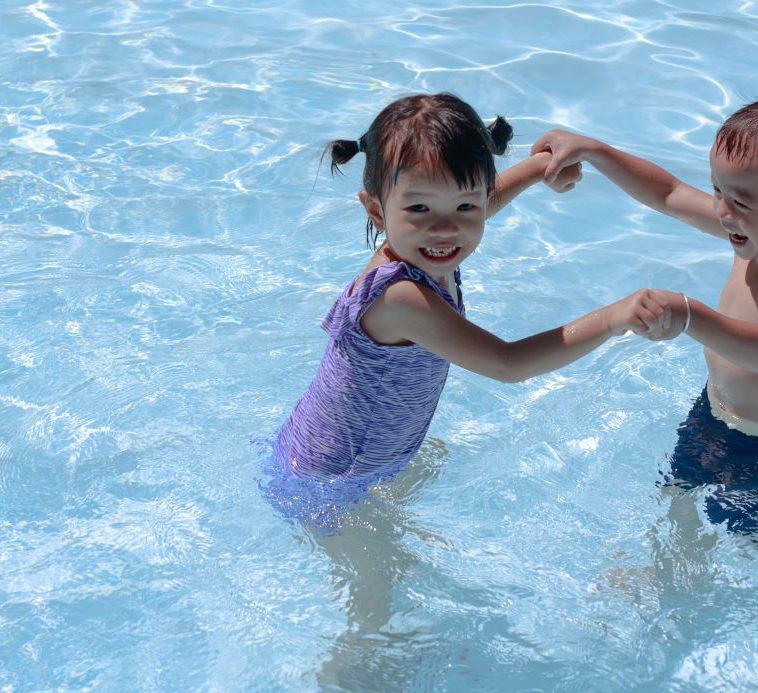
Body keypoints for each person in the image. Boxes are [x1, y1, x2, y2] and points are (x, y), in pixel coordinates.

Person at [264, 92, 677, 535]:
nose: (445, 227)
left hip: (348, 451)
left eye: (465, 207)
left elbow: (476, 206)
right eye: (419, 208)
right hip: (334, 483)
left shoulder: (423, 247)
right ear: (376, 211)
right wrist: (614, 318)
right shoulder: (401, 297)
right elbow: (507, 364)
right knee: (375, 594)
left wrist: (539, 170)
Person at [532, 87, 758, 557]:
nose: (722, 212)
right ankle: (670, 575)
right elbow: (667, 194)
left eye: (739, 201)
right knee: (676, 498)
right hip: (710, 415)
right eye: (718, 190)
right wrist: (594, 151)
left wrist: (689, 314)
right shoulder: (756, 231)